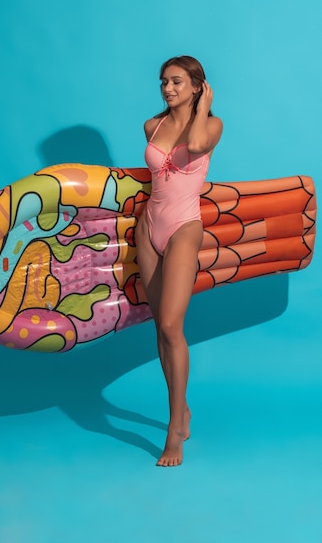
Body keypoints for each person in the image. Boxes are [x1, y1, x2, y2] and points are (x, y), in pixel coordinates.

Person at [136, 55, 223, 467]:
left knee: (173, 325)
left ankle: (174, 430)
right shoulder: (152, 126)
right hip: (148, 226)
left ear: (196, 85)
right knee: (159, 325)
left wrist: (204, 105)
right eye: (163, 83)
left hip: (185, 226)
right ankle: (181, 408)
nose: (168, 89)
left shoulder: (212, 125)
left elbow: (200, 145)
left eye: (176, 82)